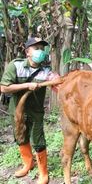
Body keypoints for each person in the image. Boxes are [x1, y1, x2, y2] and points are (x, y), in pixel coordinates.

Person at [0, 37, 59, 184]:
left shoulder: (46, 71)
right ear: (27, 52)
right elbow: (4, 87)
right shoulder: (16, 66)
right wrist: (27, 85)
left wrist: (57, 80)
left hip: (36, 112)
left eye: (42, 48)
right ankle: (28, 164)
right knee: (20, 137)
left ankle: (43, 173)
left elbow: (56, 82)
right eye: (36, 48)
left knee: (38, 140)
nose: (40, 51)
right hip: (17, 110)